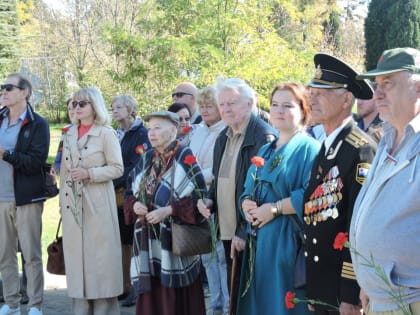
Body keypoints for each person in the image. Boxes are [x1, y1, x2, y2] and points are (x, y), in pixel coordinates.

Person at [237, 83, 320, 315]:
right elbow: (247, 189)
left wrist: (274, 209)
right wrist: (246, 204)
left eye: (287, 105)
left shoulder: (310, 149)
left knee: (281, 305)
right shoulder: (265, 149)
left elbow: (313, 196)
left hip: (287, 244)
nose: (279, 111)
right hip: (259, 244)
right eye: (274, 105)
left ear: (303, 111)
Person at [303, 53, 377, 315]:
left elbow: (356, 227)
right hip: (321, 281)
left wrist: (350, 294)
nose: (312, 98)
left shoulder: (360, 150)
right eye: (312, 91)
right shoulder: (327, 147)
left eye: (322, 92)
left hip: (340, 289)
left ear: (347, 99)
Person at [197, 77, 277, 315]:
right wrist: (209, 200)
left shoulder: (263, 137)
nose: (226, 109)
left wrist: (244, 230)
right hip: (227, 230)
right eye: (222, 104)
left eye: (232, 103)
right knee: (236, 296)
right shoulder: (223, 136)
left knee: (251, 297)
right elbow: (218, 178)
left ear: (250, 103)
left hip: (251, 233)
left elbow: (263, 192)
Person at [350, 47, 420, 315]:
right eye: (377, 84)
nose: (376, 93)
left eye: (388, 84)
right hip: (382, 299)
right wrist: (370, 282)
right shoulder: (388, 137)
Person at [124, 110, 207, 315]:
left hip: (175, 241)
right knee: (152, 294)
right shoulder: (147, 158)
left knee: (176, 301)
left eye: (157, 128)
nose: (151, 133)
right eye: (150, 129)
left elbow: (200, 198)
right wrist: (135, 205)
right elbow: (129, 191)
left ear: (173, 130)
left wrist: (169, 210)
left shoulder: (184, 156)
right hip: (147, 242)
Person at [59, 87, 124, 315]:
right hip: (73, 208)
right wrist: (62, 205)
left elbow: (118, 168)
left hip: (99, 207)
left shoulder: (106, 133)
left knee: (101, 265)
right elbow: (65, 173)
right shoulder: (67, 134)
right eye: (74, 103)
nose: (76, 108)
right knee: (78, 266)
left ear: (94, 106)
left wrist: (90, 174)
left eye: (82, 104)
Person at [0, 73, 50, 315]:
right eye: (2, 87)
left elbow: (35, 162)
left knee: (31, 254)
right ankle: (10, 302)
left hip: (26, 198)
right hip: (1, 198)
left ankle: (35, 305)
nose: (3, 91)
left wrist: (5, 155)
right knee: (4, 253)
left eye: (9, 87)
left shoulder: (37, 123)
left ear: (24, 92)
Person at [189, 86, 229, 315]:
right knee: (207, 257)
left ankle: (225, 307)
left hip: (217, 198)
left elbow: (218, 168)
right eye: (201, 105)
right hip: (198, 199)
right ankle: (215, 304)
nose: (204, 110)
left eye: (209, 105)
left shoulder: (225, 131)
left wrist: (196, 175)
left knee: (221, 257)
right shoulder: (199, 131)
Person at [111, 94, 150, 307]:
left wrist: (110, 178)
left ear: (130, 109)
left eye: (119, 107)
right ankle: (123, 286)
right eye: (112, 107)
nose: (114, 111)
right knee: (121, 243)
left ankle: (135, 288)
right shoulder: (116, 133)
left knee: (131, 243)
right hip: (114, 196)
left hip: (131, 195)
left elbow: (137, 165)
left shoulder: (141, 133)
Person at [54, 95, 75, 174]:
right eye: (69, 109)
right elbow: (58, 159)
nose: (71, 112)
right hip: (68, 179)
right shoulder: (66, 130)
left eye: (74, 107)